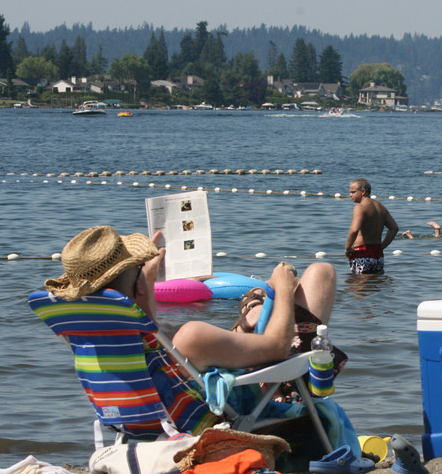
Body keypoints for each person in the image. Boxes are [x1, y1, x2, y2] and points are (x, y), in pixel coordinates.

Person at [44, 225, 341, 431]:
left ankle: (252, 313)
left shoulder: (94, 337)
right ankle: (258, 318)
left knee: (263, 303)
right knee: (319, 273)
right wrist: (284, 289)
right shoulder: (191, 338)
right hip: (263, 415)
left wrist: (143, 282)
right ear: (139, 288)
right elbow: (278, 347)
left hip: (143, 426)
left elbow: (148, 328)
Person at [344, 177, 398, 273]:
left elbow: (354, 230)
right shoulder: (380, 207)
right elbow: (394, 228)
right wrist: (382, 246)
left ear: (363, 192)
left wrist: (347, 249)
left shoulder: (360, 207)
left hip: (362, 252)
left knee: (357, 285)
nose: (350, 195)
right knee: (375, 285)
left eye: (353, 192)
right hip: (378, 254)